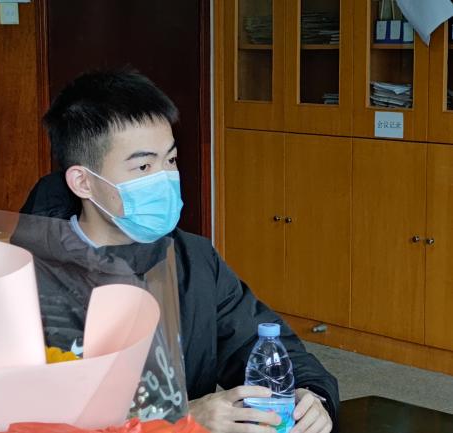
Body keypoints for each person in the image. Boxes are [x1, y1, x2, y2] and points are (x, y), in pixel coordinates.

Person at [19, 69, 339, 433]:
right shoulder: (26, 277)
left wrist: (308, 395)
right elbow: (25, 416)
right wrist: (178, 420)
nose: (165, 179)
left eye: (169, 161)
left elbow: (258, 343)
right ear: (83, 181)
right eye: (143, 166)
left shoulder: (192, 258)